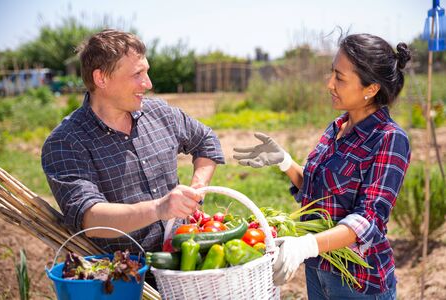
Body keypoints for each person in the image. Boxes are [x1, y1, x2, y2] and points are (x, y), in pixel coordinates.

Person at [233, 33, 411, 299]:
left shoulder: (389, 138)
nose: (329, 84)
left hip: (358, 283)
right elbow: (319, 194)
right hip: (319, 270)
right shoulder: (339, 126)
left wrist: (306, 245)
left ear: (371, 88)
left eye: (340, 77)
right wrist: (286, 162)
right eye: (332, 73)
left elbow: (369, 219)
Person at [41, 29, 224, 256]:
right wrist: (159, 208)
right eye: (137, 74)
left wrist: (197, 189)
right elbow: (90, 217)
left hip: (183, 258)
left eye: (146, 71)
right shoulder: (66, 142)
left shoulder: (160, 113)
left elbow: (206, 140)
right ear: (101, 78)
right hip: (126, 278)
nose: (147, 83)